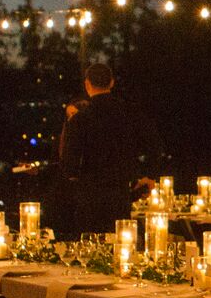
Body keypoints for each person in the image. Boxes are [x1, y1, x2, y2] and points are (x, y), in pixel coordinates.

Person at [57, 62, 166, 236]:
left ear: (87, 84)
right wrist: (149, 175)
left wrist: (76, 179)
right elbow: (155, 146)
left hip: (89, 195)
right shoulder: (130, 113)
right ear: (112, 83)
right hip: (121, 192)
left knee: (91, 247)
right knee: (119, 242)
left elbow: (69, 164)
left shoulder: (79, 120)